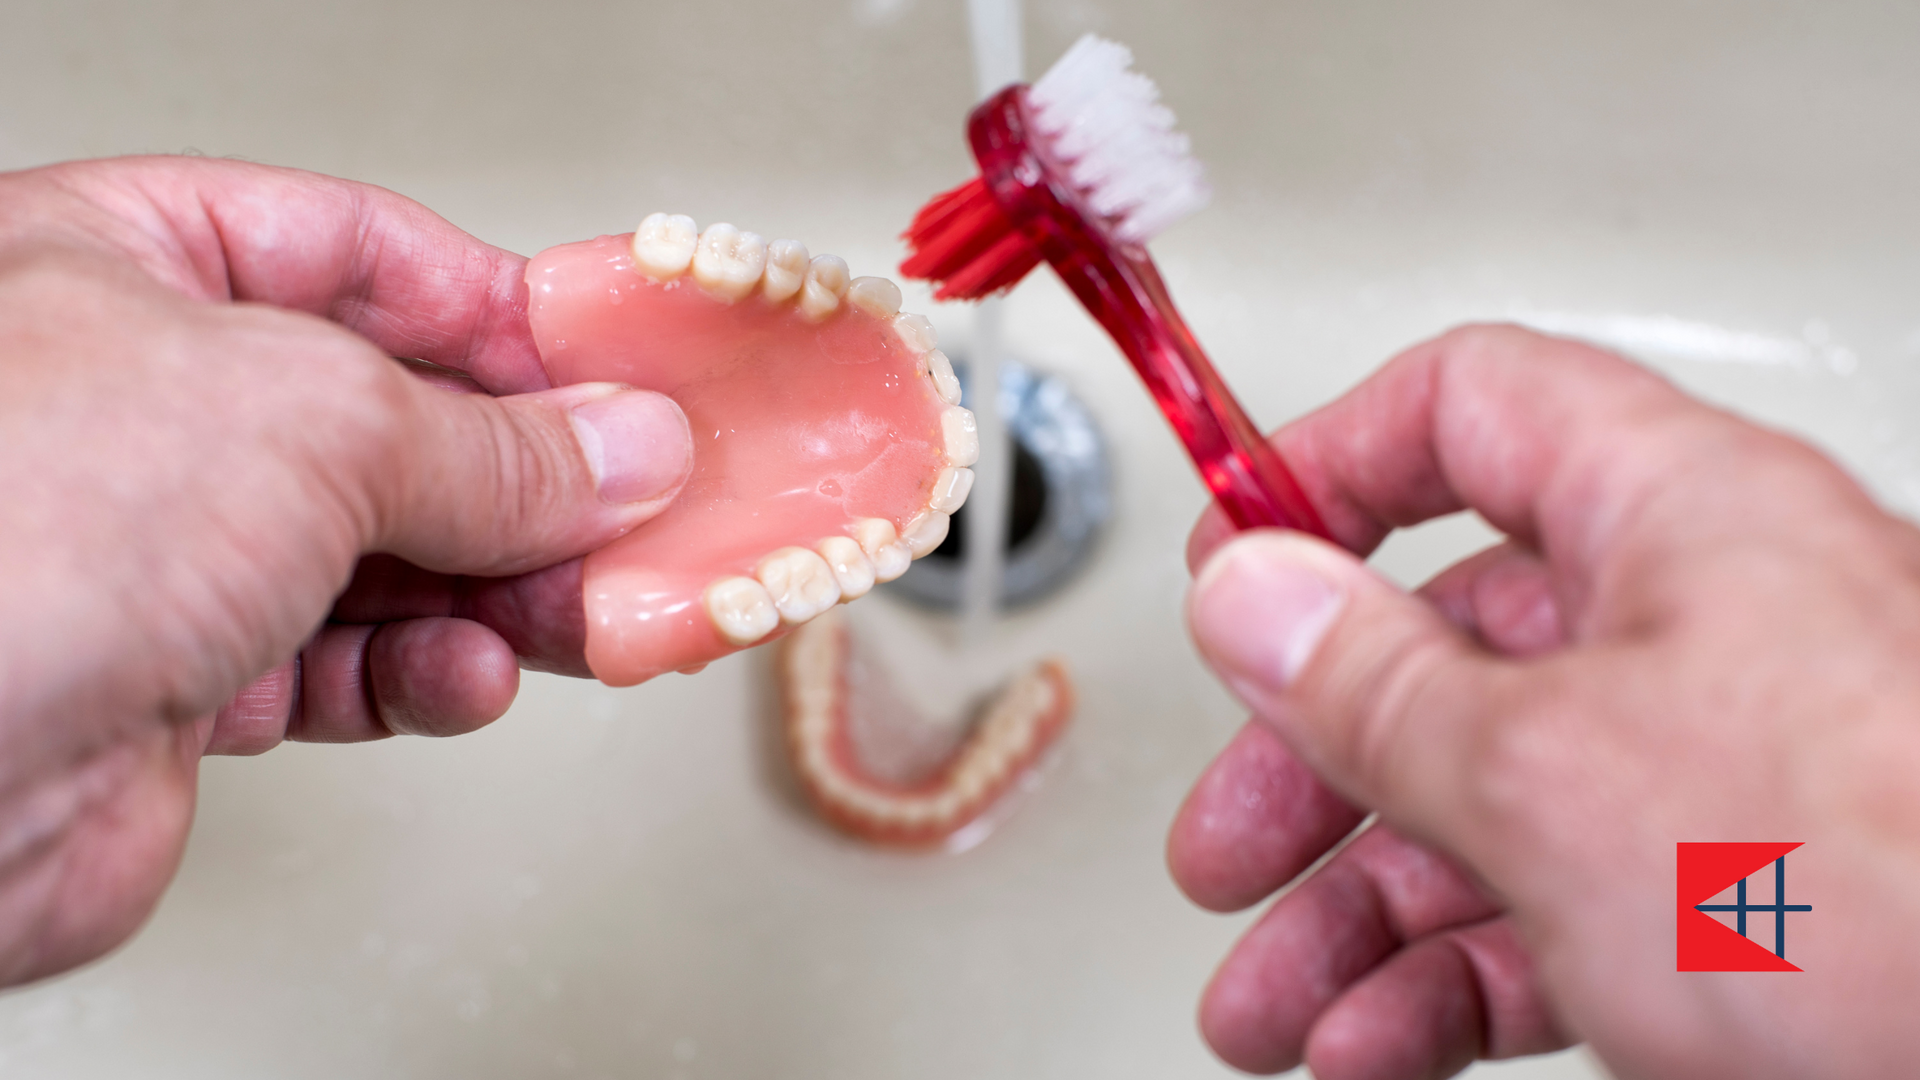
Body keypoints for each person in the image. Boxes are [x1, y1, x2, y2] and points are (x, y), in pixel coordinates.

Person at [3, 158, 1914, 1079]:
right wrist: (1838, 913)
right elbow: (1747, 893)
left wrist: (1846, 922)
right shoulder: (1754, 883)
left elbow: (1751, 895)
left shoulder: (1761, 890)